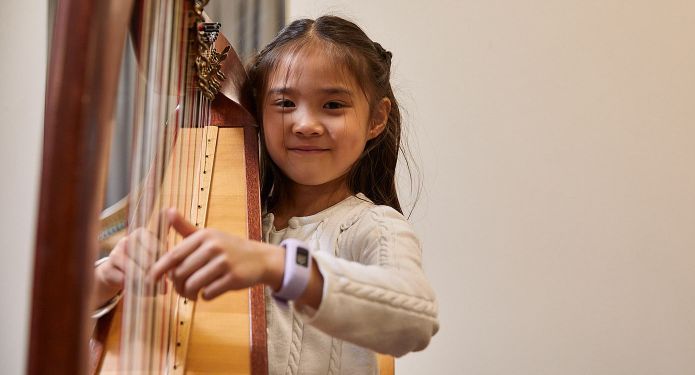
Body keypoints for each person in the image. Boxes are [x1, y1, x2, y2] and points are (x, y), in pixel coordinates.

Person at [93, 15, 439, 374]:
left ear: (376, 120)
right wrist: (108, 279)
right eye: (285, 104)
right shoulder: (231, 215)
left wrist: (276, 266)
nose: (305, 125)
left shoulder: (372, 226)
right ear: (258, 111)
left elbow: (416, 317)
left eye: (333, 105)